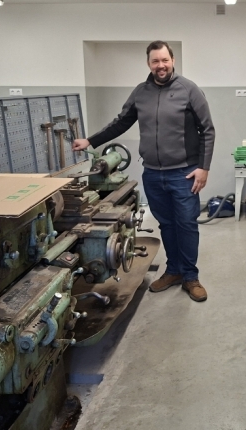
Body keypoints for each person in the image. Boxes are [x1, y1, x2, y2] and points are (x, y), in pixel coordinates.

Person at [72, 40, 215, 302]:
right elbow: (121, 122)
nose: (161, 65)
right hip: (153, 173)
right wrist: (91, 141)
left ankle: (190, 276)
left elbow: (207, 130)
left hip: (184, 173)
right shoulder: (141, 92)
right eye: (155, 61)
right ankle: (173, 271)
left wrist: (203, 168)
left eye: (165, 60)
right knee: (167, 224)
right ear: (149, 63)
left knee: (186, 224)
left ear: (173, 60)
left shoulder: (189, 89)